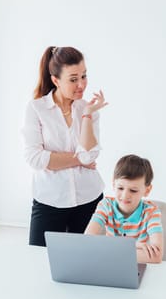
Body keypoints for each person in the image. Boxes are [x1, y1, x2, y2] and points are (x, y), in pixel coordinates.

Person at [22, 46, 108, 246]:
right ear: (55, 80)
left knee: (89, 264)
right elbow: (35, 158)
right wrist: (78, 159)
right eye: (73, 79)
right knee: (39, 261)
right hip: (49, 201)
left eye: (84, 76)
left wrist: (86, 115)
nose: (81, 84)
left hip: (89, 199)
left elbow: (90, 156)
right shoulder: (36, 109)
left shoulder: (89, 109)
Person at [85, 154, 163, 263]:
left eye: (133, 190)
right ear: (113, 184)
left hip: (135, 266)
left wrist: (107, 251)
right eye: (120, 188)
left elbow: (156, 256)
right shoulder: (106, 205)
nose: (125, 196)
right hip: (110, 264)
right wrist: (134, 246)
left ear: (147, 190)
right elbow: (87, 242)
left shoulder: (151, 212)